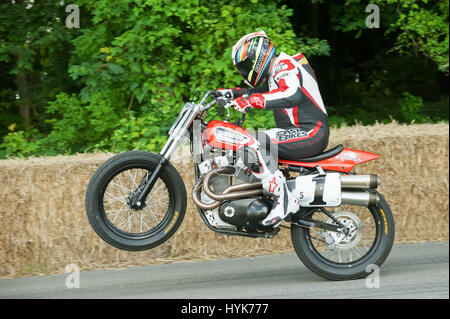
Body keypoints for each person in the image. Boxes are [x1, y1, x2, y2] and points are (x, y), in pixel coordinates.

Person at [216, 30, 329, 227]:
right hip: (300, 132)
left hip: (310, 132)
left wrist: (251, 101)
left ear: (256, 56)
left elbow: (292, 93)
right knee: (248, 144)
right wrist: (231, 94)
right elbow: (257, 92)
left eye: (245, 66)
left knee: (252, 140)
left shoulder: (285, 65)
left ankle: (283, 199)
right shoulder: (273, 73)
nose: (244, 71)